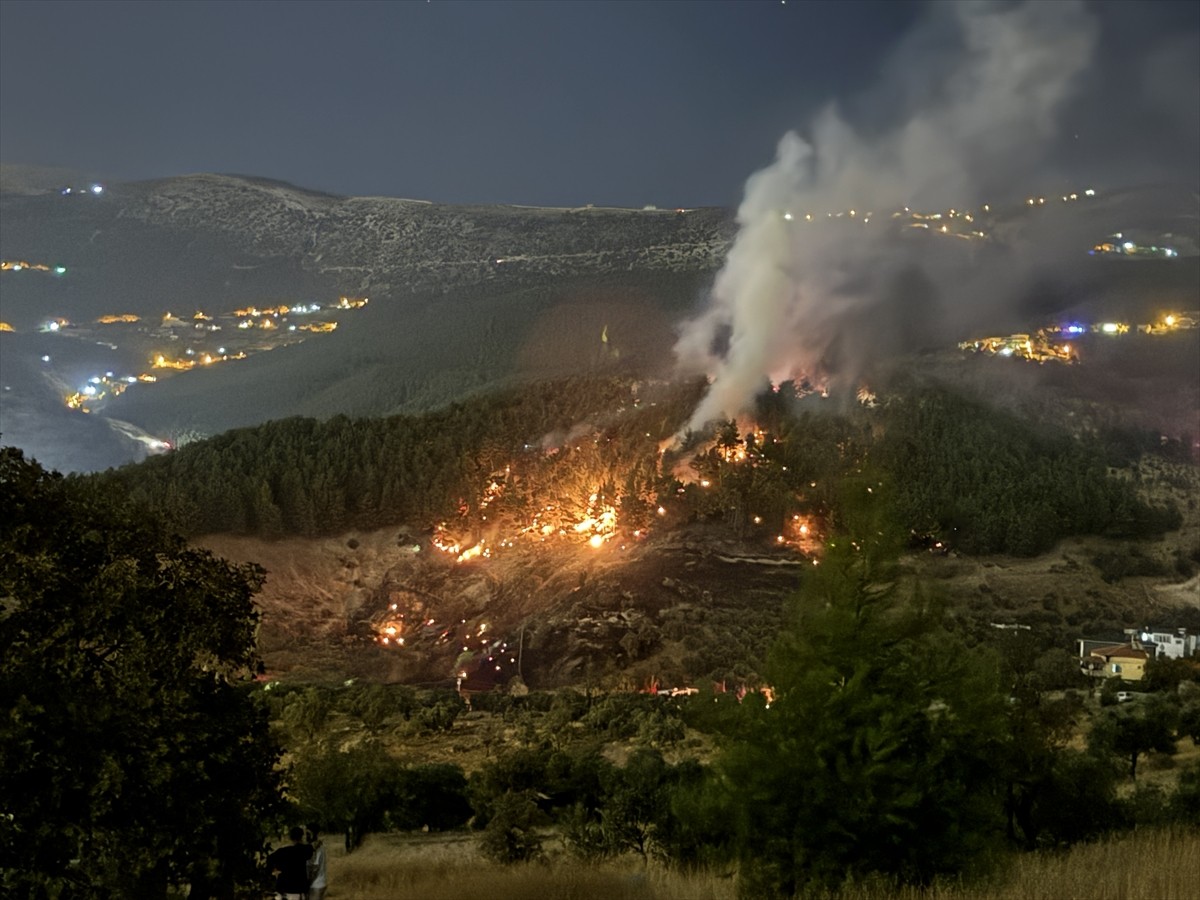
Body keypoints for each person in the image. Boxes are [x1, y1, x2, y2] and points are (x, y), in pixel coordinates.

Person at [266, 826, 312, 900]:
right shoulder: (305, 850)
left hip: (284, 890)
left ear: (290, 837)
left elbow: (269, 859)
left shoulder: (283, 851)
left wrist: (274, 871)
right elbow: (309, 848)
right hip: (298, 891)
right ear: (302, 837)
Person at [306, 826, 328, 900]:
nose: (306, 836)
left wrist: (307, 883)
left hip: (315, 884)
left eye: (308, 834)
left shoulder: (316, 848)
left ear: (314, 834)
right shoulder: (314, 847)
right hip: (318, 883)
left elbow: (315, 868)